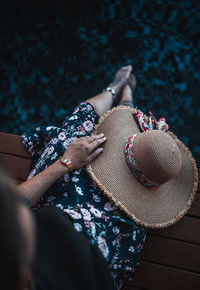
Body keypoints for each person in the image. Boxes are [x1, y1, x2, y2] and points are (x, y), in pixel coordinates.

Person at [14, 65, 148, 290]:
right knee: (129, 160)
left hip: (53, 201)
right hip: (100, 236)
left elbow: (12, 204)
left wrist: (66, 162)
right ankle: (125, 97)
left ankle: (115, 89)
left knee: (73, 134)